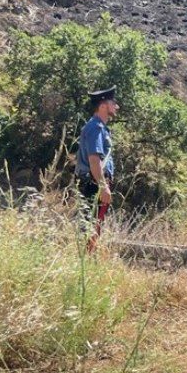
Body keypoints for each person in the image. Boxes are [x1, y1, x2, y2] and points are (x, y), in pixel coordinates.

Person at [75, 85, 119, 253]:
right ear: (103, 106)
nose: (116, 106)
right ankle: (85, 262)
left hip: (94, 183)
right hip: (93, 185)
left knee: (93, 226)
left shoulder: (99, 127)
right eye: (113, 102)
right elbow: (94, 160)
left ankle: (86, 259)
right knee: (91, 227)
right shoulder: (95, 128)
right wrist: (103, 186)